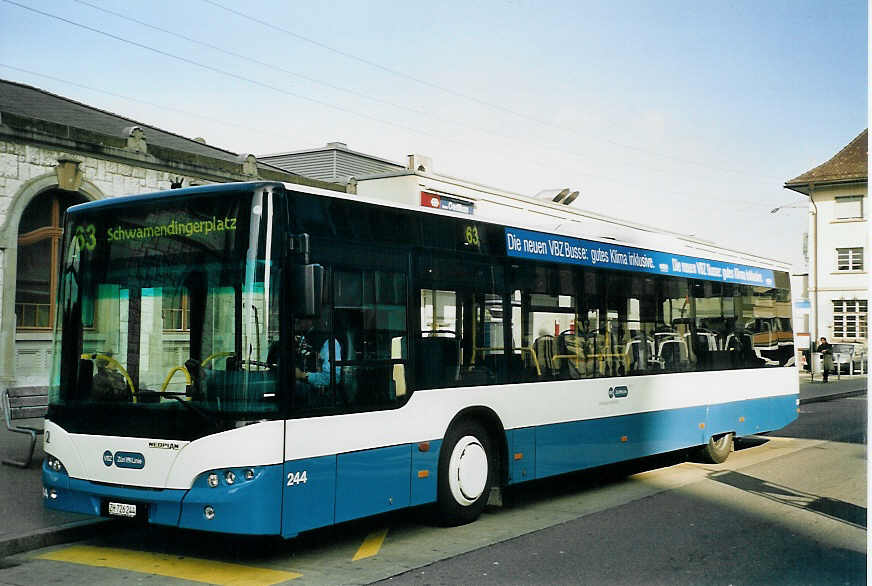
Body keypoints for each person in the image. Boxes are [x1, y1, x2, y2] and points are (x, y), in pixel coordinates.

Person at [294, 317, 341, 405]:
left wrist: (302, 375)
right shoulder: (304, 339)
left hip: (324, 401)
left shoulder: (329, 343)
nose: (297, 322)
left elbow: (332, 377)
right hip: (306, 395)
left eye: (300, 319)